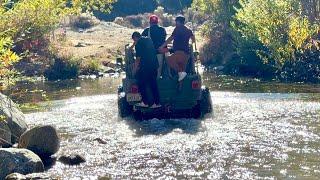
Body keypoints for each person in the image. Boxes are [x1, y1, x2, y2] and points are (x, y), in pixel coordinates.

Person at [159, 15, 196, 81]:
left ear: (179, 22)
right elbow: (193, 40)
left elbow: (170, 38)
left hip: (178, 53)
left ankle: (180, 72)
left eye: (176, 21)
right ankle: (180, 85)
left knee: (168, 60)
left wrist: (162, 46)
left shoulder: (177, 29)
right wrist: (189, 43)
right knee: (182, 72)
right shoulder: (188, 30)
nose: (175, 23)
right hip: (186, 54)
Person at [131, 32, 161, 108]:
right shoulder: (149, 40)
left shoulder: (138, 44)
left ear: (135, 37)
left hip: (145, 67)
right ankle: (156, 103)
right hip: (154, 66)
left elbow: (138, 59)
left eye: (134, 40)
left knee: (141, 83)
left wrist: (134, 69)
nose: (135, 41)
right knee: (153, 84)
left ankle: (145, 102)